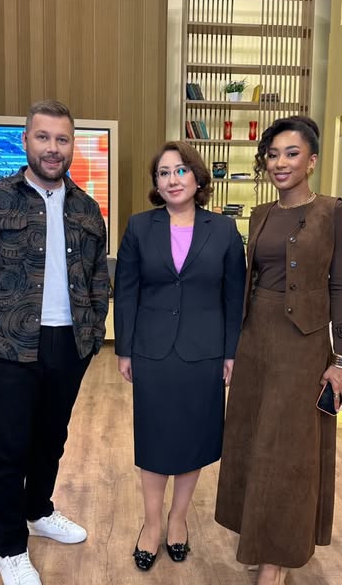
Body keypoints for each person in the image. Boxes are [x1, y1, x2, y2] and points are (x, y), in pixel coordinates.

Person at [0, 100, 109, 585]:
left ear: (71, 145)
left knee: (50, 440)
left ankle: (39, 511)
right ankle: (11, 548)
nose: (53, 148)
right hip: (8, 347)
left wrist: (92, 336)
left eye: (62, 139)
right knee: (6, 450)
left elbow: (98, 278)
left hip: (68, 345)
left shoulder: (86, 208)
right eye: (43, 137)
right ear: (26, 141)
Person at [215, 116, 342, 585]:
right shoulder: (260, 214)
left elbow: (340, 287)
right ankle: (257, 538)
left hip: (304, 345)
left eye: (291, 153)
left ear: (311, 161)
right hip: (255, 339)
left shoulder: (333, 212)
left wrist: (341, 359)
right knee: (252, 440)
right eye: (273, 154)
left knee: (287, 448)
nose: (280, 162)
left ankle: (275, 558)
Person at [114, 141, 246, 571]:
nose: (172, 180)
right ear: (156, 183)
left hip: (204, 351)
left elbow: (235, 296)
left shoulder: (224, 230)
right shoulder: (139, 226)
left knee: (193, 438)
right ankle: (152, 523)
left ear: (197, 177)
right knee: (154, 438)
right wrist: (124, 347)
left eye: (180, 170)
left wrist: (231, 352)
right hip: (152, 350)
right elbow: (127, 290)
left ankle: (178, 519)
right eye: (164, 173)